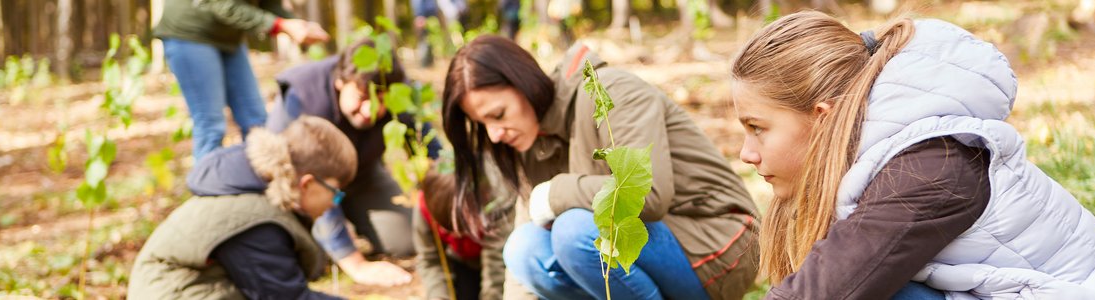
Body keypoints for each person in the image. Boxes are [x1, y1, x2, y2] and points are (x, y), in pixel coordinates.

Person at [729, 11, 1095, 299]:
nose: (747, 153)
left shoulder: (929, 169)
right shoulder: (880, 156)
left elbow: (826, 290)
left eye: (757, 128)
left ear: (823, 117)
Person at [441, 35, 760, 300]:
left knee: (575, 232)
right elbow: (526, 247)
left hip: (717, 243)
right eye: (482, 124)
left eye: (498, 115)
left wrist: (556, 192)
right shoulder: (526, 140)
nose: (494, 134)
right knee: (522, 248)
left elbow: (645, 195)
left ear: (524, 83)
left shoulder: (611, 91)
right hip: (650, 251)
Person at [267, 39, 441, 287]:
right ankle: (322, 241)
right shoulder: (304, 95)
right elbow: (306, 180)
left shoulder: (395, 89)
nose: (371, 110)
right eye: (362, 97)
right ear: (340, 81)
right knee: (307, 263)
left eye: (381, 100)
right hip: (301, 191)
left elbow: (430, 149)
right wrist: (355, 264)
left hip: (361, 176)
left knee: (406, 238)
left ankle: (353, 221)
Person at [128, 116, 355, 299]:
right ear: (307, 183)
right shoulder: (256, 221)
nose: (335, 202)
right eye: (335, 193)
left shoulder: (258, 195)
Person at [154, 0, 329, 159]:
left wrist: (296, 24)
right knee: (211, 125)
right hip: (189, 33)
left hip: (228, 38)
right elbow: (222, 5)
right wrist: (280, 26)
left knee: (256, 121)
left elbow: (269, 4)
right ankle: (207, 188)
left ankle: (259, 186)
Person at [413, 168, 513, 300]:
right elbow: (430, 260)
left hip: (499, 264)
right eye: (448, 230)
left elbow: (495, 265)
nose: (457, 236)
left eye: (464, 230)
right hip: (460, 264)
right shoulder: (425, 206)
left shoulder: (494, 202)